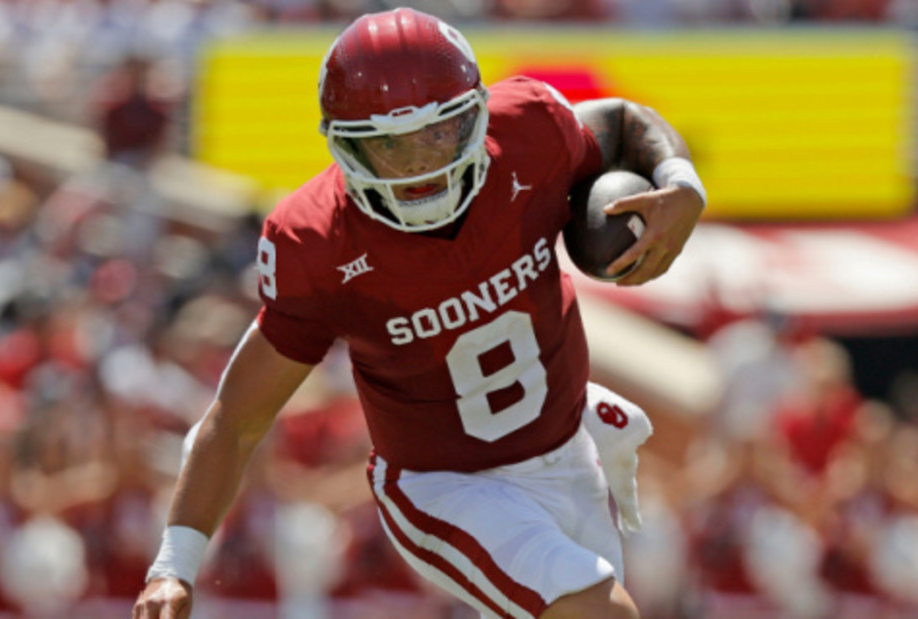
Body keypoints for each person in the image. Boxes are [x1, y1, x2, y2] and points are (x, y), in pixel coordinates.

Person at [133, 7, 706, 618]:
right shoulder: (317, 242)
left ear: (477, 114)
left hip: (569, 447)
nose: (417, 165)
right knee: (602, 614)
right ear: (344, 146)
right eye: (388, 146)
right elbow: (238, 416)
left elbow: (621, 121)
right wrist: (174, 563)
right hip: (445, 485)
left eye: (438, 132)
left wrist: (680, 180)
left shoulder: (528, 130)